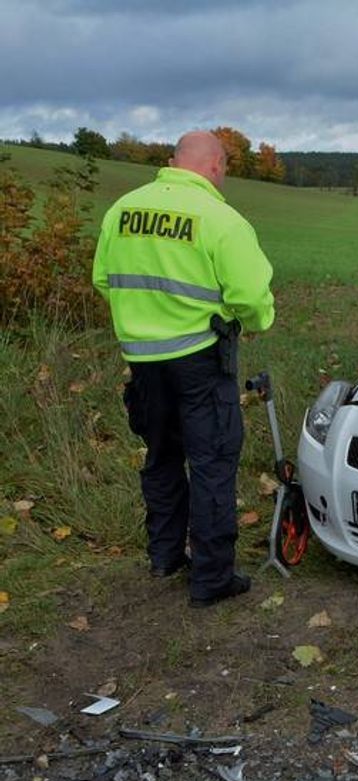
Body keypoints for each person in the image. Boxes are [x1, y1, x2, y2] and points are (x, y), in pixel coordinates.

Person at [92, 130, 275, 608]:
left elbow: (102, 279)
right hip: (199, 360)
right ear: (216, 166)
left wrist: (143, 321)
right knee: (212, 461)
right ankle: (212, 578)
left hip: (142, 361)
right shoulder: (221, 219)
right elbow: (251, 299)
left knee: (161, 455)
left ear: (173, 162)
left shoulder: (123, 210)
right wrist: (255, 322)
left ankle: (165, 557)